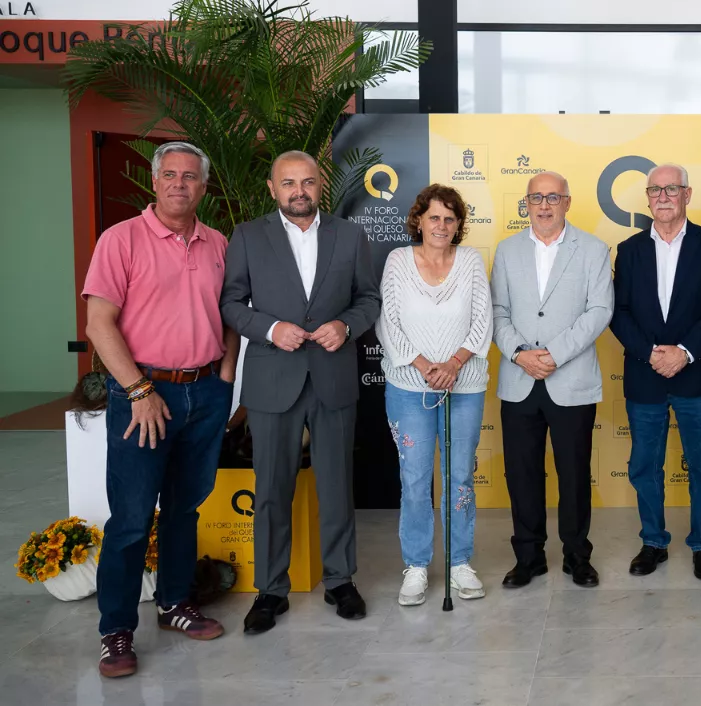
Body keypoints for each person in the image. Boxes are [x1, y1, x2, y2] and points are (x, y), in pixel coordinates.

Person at [83, 141, 239, 678]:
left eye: (190, 176)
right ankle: (116, 630)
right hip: (143, 395)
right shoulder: (120, 239)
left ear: (203, 187)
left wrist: (225, 378)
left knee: (184, 509)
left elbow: (230, 316)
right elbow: (99, 324)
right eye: (170, 174)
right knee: (130, 518)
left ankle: (174, 603)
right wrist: (138, 390)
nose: (179, 183)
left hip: (205, 392)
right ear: (154, 182)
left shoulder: (218, 243)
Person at [220, 150, 381, 633]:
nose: (299, 191)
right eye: (288, 183)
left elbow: (368, 299)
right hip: (273, 381)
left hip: (333, 377)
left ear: (319, 185)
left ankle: (340, 580)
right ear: (273, 189)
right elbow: (231, 302)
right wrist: (270, 329)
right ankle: (271, 589)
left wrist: (346, 326)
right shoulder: (248, 235)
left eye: (307, 182)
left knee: (336, 486)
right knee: (271, 491)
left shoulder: (349, 235)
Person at [491, 171, 614, 589]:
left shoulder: (593, 249)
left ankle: (577, 557)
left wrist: (554, 354)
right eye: (536, 198)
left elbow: (599, 310)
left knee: (574, 474)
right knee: (522, 473)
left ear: (567, 202)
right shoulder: (506, 250)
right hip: (519, 378)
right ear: (526, 204)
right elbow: (497, 311)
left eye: (553, 197)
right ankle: (529, 558)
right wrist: (520, 354)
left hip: (571, 379)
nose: (544, 205)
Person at [610, 163, 701, 581]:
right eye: (655, 190)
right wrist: (651, 354)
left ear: (687, 194)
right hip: (645, 373)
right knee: (645, 466)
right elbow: (618, 312)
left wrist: (684, 352)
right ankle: (653, 542)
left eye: (671, 189)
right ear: (647, 198)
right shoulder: (628, 250)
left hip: (695, 371)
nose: (662, 197)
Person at [376, 184, 492, 606]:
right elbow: (388, 323)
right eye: (434, 217)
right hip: (410, 387)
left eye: (450, 218)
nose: (441, 225)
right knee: (414, 479)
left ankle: (459, 562)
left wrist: (453, 364)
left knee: (459, 476)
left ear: (458, 224)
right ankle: (417, 565)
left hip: (465, 385)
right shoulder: (397, 261)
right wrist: (427, 367)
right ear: (419, 221)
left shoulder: (471, 261)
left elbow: (483, 322)